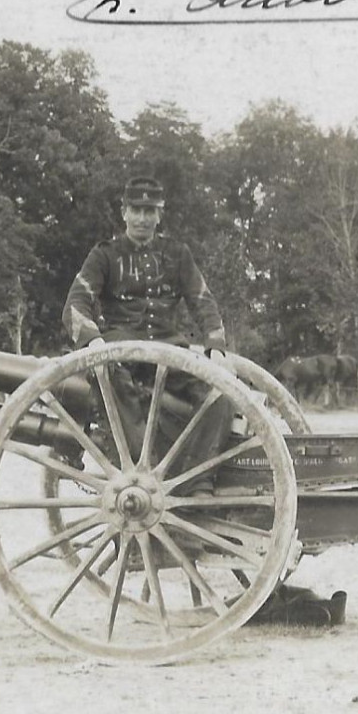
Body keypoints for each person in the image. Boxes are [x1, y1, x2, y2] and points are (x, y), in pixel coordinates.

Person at [62, 175, 232, 492]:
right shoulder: (104, 255)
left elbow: (202, 300)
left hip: (170, 349)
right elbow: (76, 303)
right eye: (136, 210)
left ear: (159, 214)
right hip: (119, 349)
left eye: (149, 210)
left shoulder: (177, 254)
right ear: (123, 212)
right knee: (107, 372)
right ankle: (142, 466)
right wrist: (93, 339)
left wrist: (215, 344)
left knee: (220, 393)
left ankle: (197, 478)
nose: (142, 218)